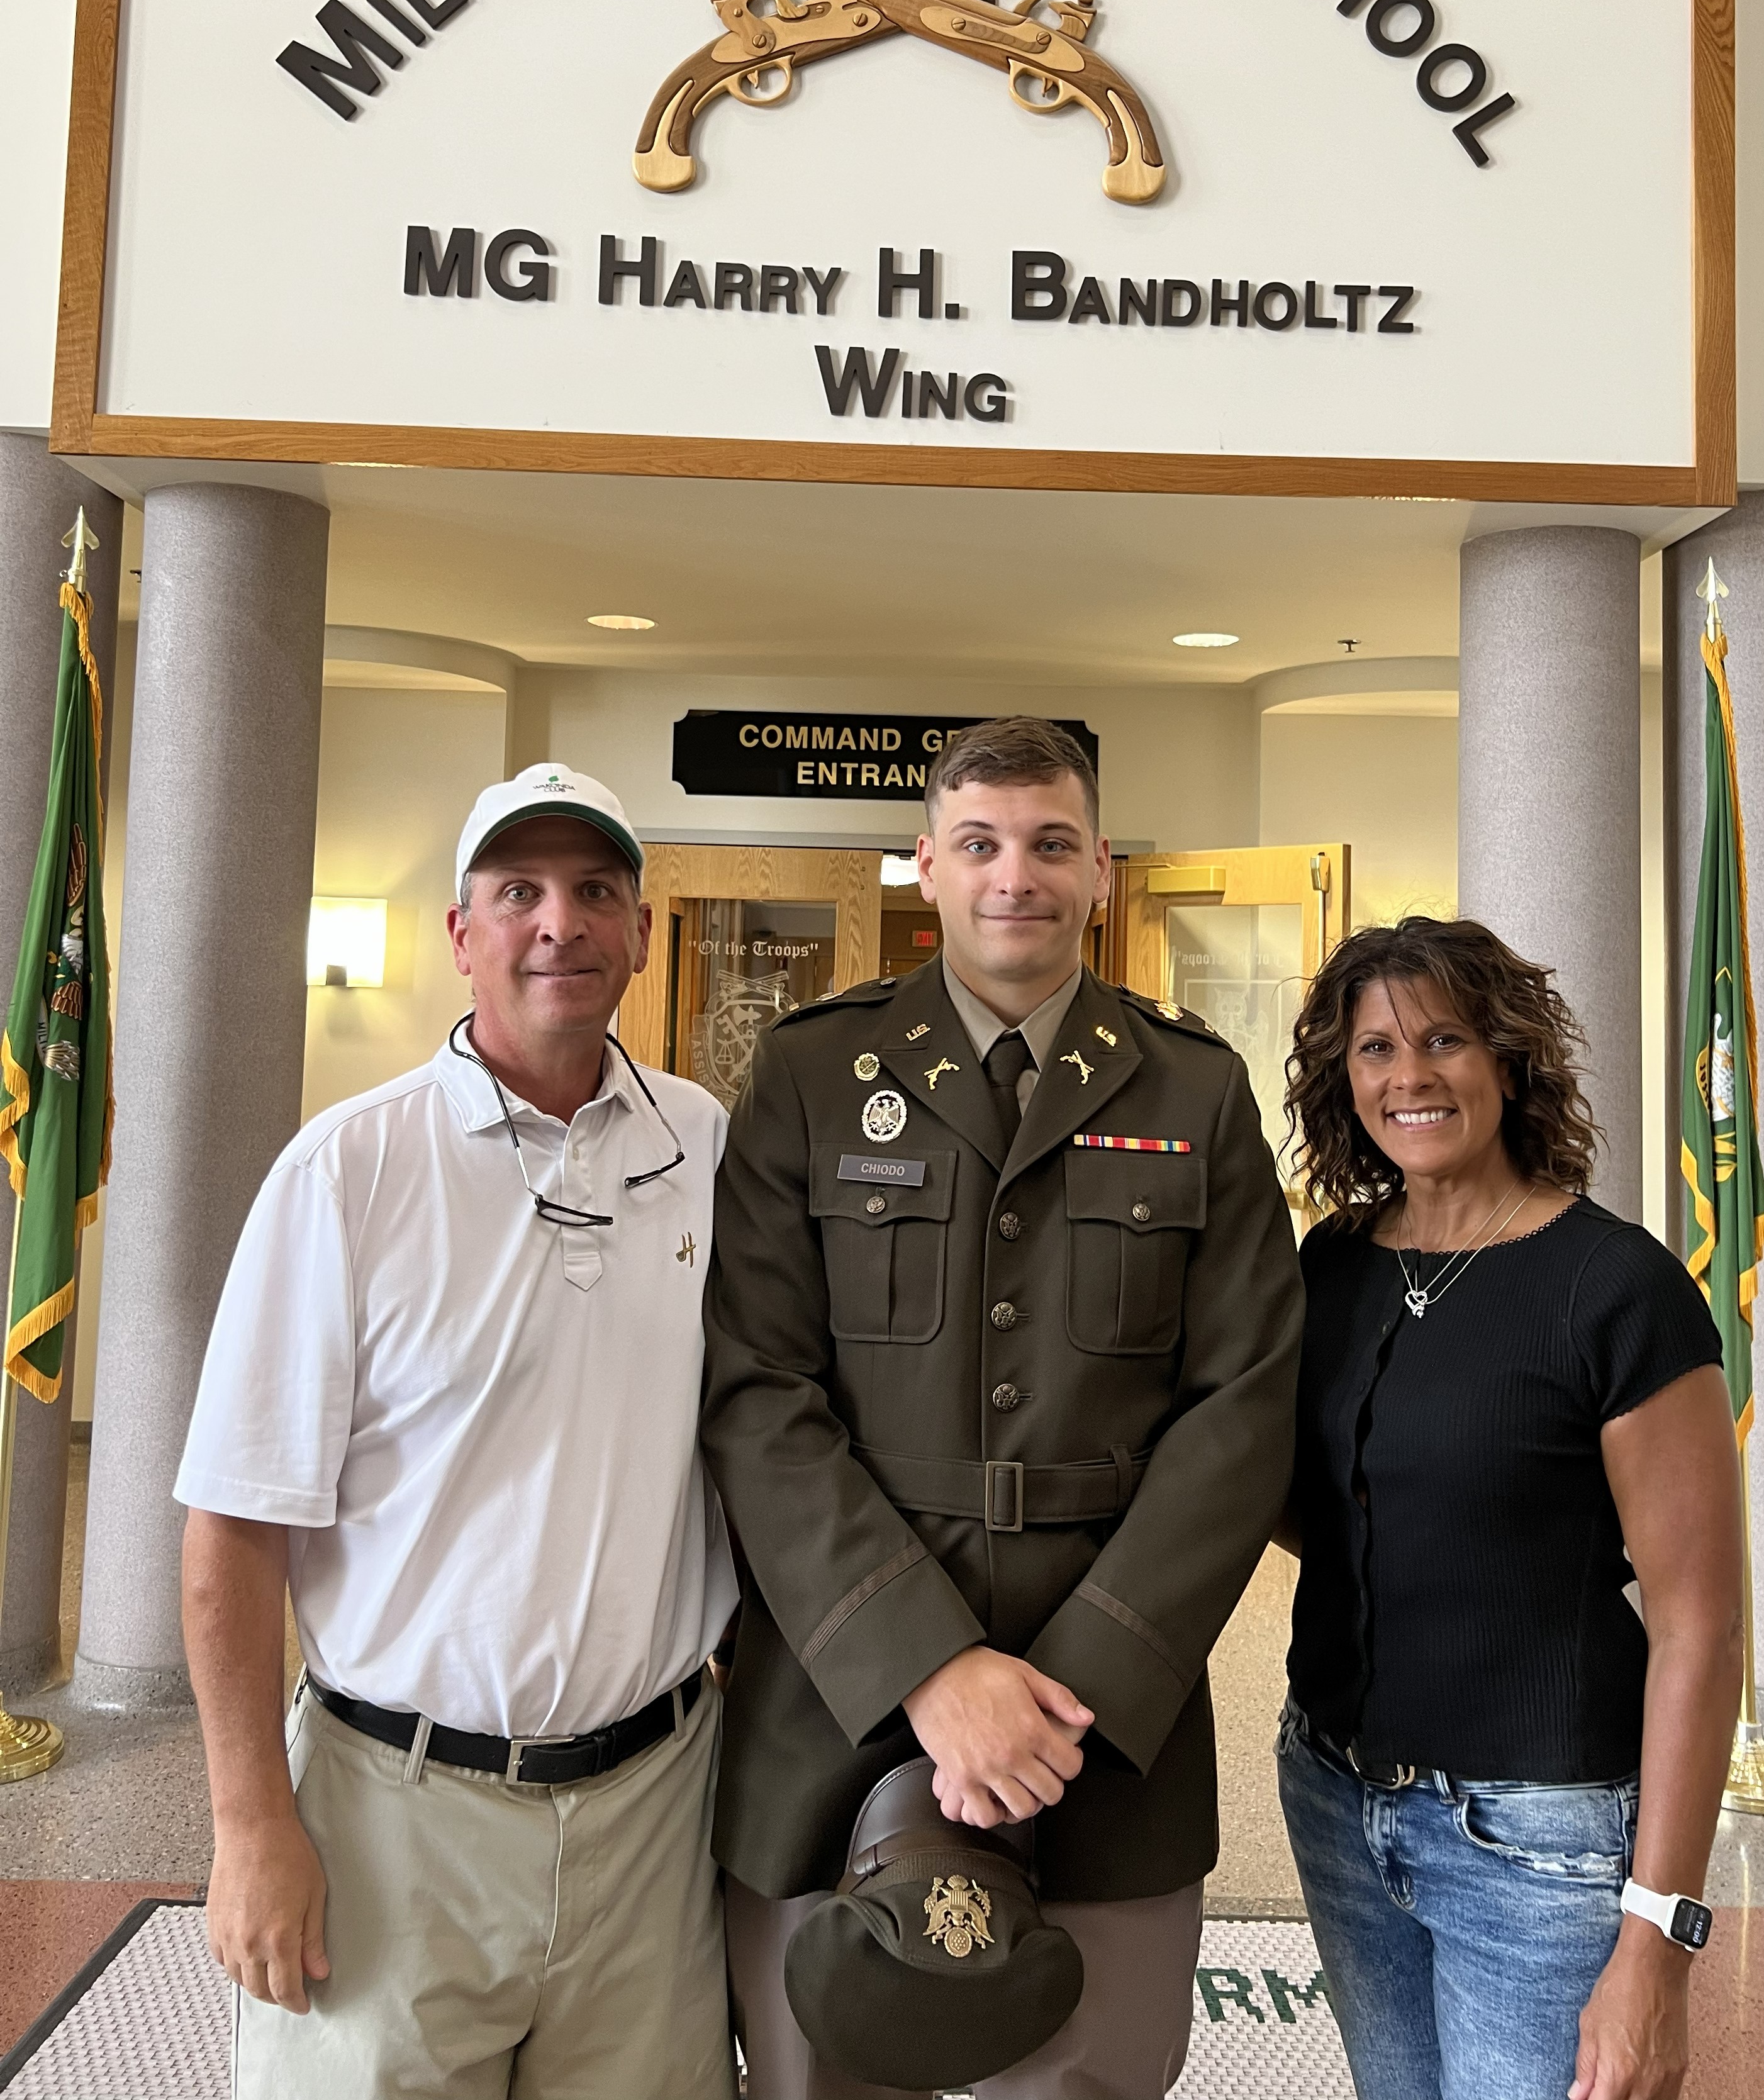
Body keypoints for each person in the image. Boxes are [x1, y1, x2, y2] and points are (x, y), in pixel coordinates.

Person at [701, 715, 1306, 2100]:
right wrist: (927, 1668)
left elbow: (1244, 1406)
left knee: (1087, 2071)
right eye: (977, 844)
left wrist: (1063, 1701)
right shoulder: (809, 1075)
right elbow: (756, 1391)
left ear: (1100, 866)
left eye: (1048, 844)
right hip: (842, 1699)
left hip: (1105, 1721)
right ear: (925, 865)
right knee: (825, 2067)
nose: (1012, 876)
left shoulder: (1196, 1089)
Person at [175, 763, 738, 2100]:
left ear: (642, 933)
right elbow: (236, 1527)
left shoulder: (709, 1147)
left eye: (598, 891)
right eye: (520, 892)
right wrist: (252, 1825)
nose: (562, 922)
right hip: (394, 1818)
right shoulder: (347, 1169)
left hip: (654, 1820)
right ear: (462, 934)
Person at [1275, 915, 1744, 2100]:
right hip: (1336, 1801)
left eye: (1445, 1039)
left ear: (1510, 1060)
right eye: (1375, 1048)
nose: (1409, 1075)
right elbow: (1324, 1506)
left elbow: (1702, 1627)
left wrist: (1658, 1940)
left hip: (1537, 1844)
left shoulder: (1614, 1287)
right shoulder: (1330, 1264)